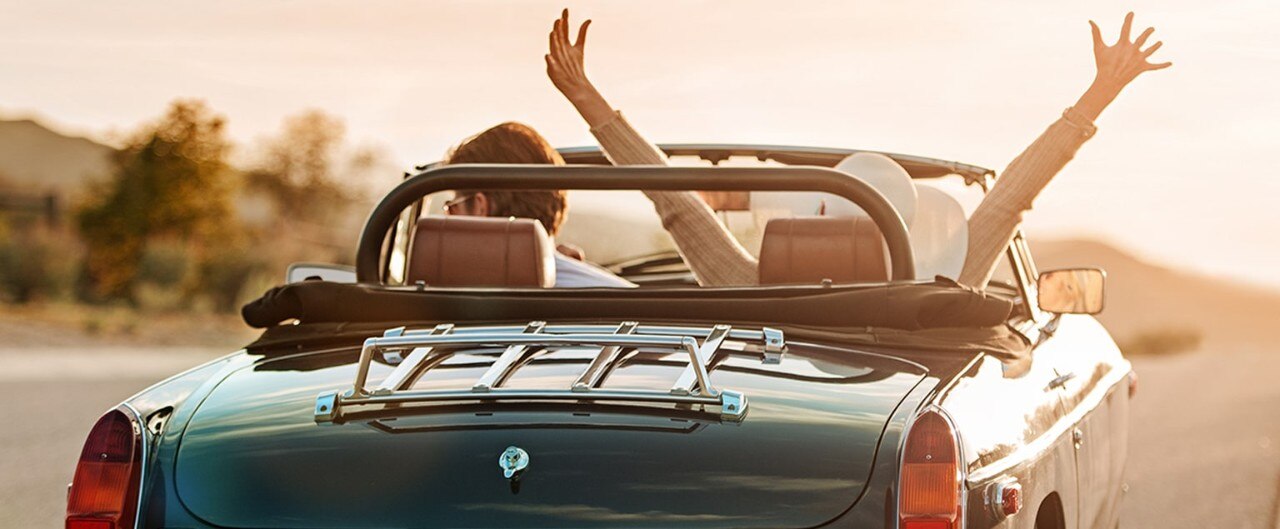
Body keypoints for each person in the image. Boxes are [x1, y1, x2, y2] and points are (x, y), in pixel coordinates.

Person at [544, 9, 1170, 290]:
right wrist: (1098, 94)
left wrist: (588, 99)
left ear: (814, 223)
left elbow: (673, 199)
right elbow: (1013, 195)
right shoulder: (943, 289)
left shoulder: (749, 285)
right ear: (911, 228)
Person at [440, 122, 636, 288]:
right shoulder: (626, 300)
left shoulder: (430, 298)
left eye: (452, 208)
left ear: (481, 207)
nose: (448, 218)